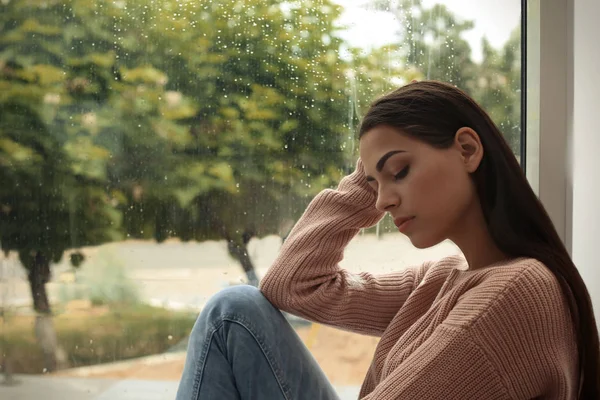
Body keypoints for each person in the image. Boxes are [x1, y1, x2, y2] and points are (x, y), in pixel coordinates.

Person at [175, 81, 600, 399]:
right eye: (373, 182)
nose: (382, 200)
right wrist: (369, 174)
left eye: (399, 171)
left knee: (230, 312)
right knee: (235, 309)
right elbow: (294, 285)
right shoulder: (444, 278)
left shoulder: (515, 290)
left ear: (468, 150)